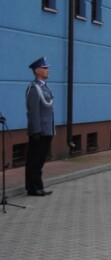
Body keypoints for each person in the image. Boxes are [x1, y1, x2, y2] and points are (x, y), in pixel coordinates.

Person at [25, 57, 55, 197]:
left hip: (46, 130)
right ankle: (32, 188)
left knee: (40, 160)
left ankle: (38, 185)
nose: (47, 70)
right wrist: (35, 131)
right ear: (37, 71)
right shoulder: (34, 88)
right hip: (39, 131)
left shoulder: (44, 87)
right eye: (44, 68)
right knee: (34, 161)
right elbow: (33, 111)